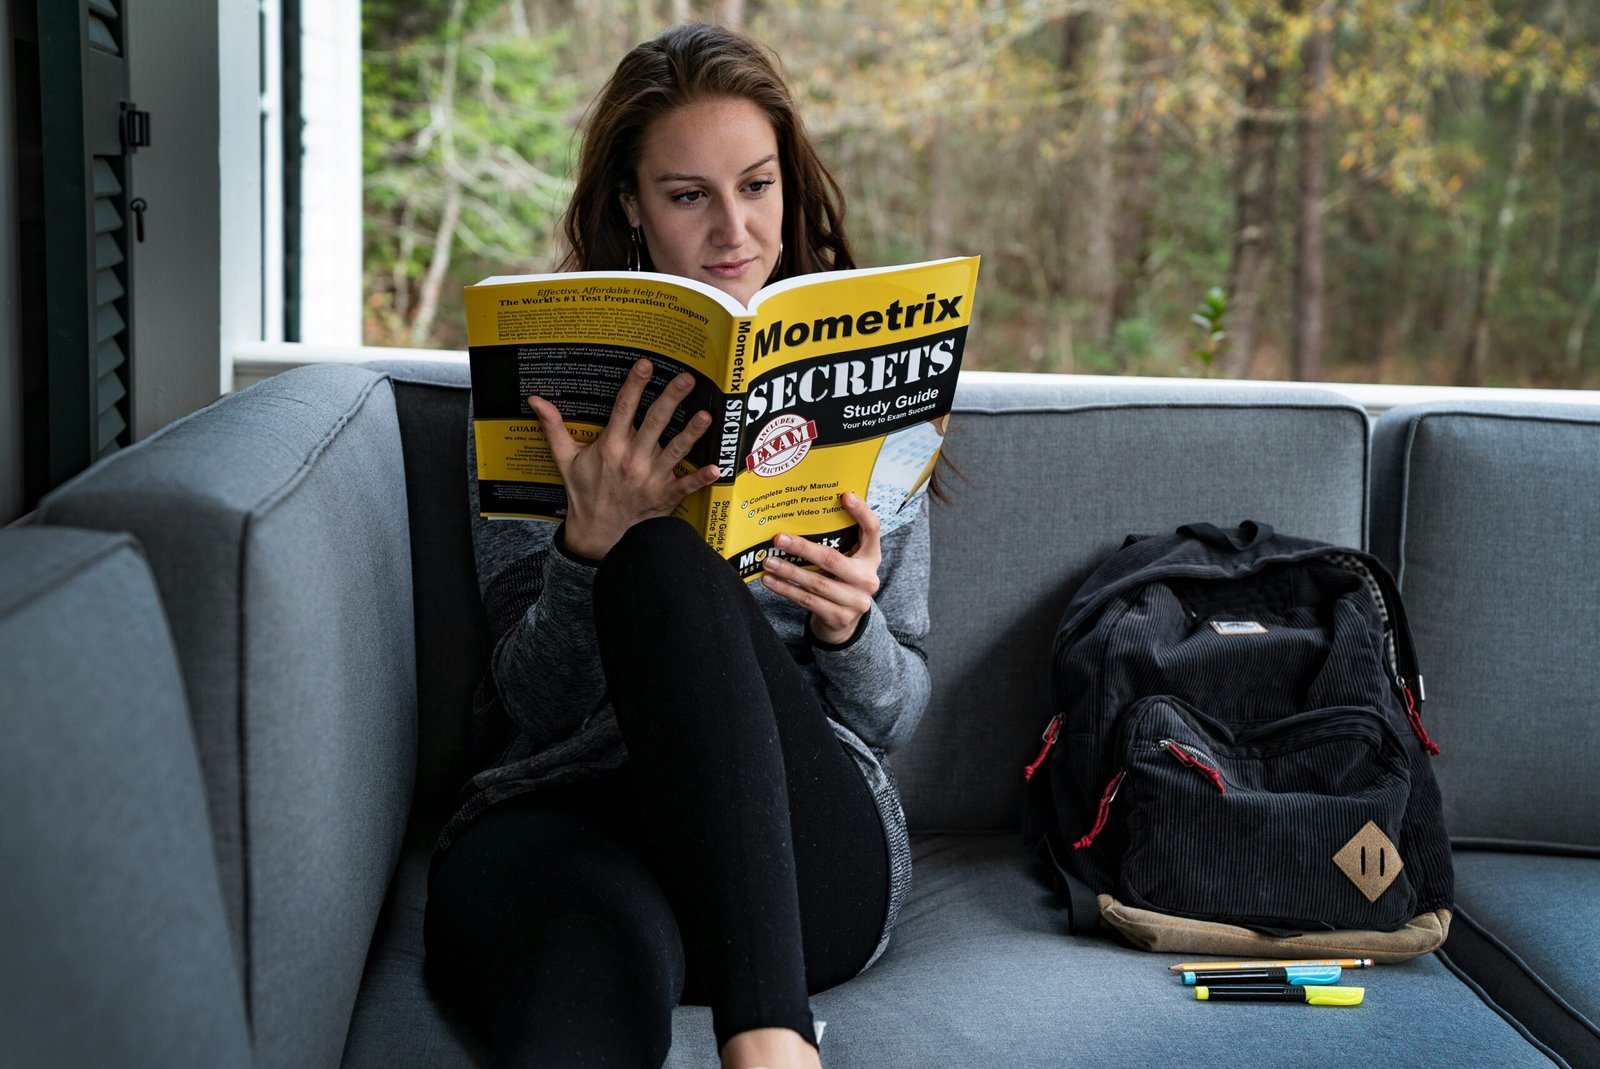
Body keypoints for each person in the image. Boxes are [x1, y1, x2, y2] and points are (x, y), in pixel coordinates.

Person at [424, 23, 932, 1069]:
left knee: (662, 559)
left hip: (799, 855)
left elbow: (898, 712)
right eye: (687, 195)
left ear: (790, 187)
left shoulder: (882, 409)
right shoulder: (547, 401)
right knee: (576, 973)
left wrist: (851, 627)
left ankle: (771, 1043)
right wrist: (583, 548)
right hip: (582, 817)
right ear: (631, 207)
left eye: (755, 185)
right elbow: (535, 706)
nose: (733, 229)